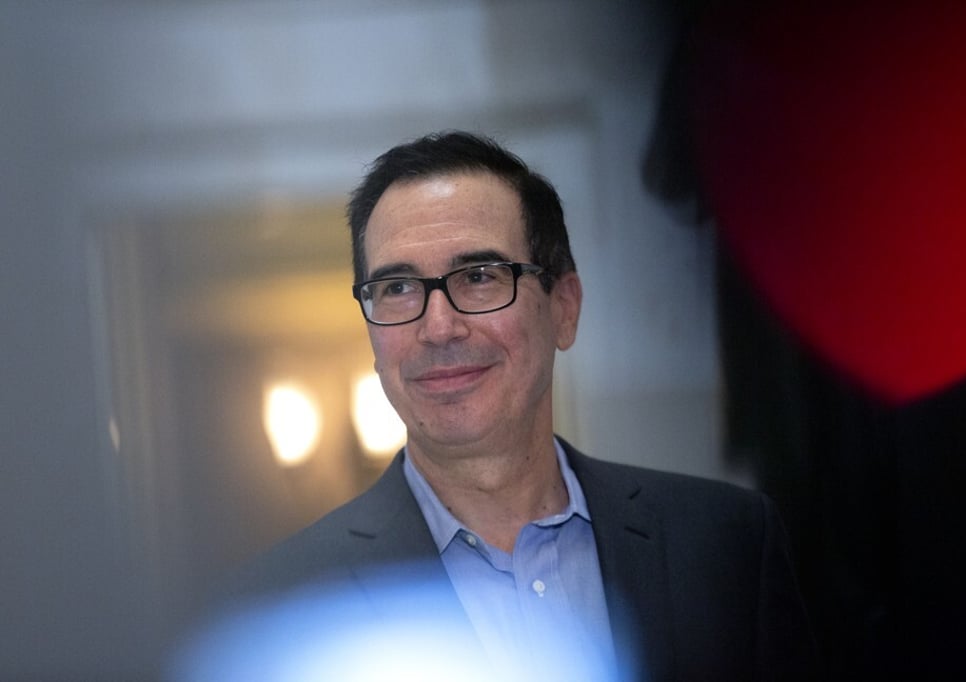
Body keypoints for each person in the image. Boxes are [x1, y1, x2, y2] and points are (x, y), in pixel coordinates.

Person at [189, 131, 819, 681]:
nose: (438, 327)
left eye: (480, 276)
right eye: (399, 287)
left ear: (563, 307)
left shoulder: (726, 544)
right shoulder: (279, 605)